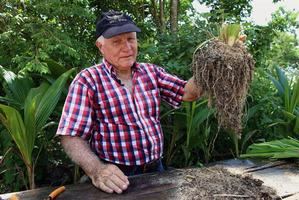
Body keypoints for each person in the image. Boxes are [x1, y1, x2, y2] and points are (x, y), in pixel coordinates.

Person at [56, 10, 201, 194]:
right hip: (116, 176)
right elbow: (70, 135)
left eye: (131, 39)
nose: (127, 47)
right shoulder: (88, 80)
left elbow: (187, 92)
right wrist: (97, 170)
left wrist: (214, 62)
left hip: (157, 170)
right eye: (117, 41)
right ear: (100, 46)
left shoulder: (151, 72)